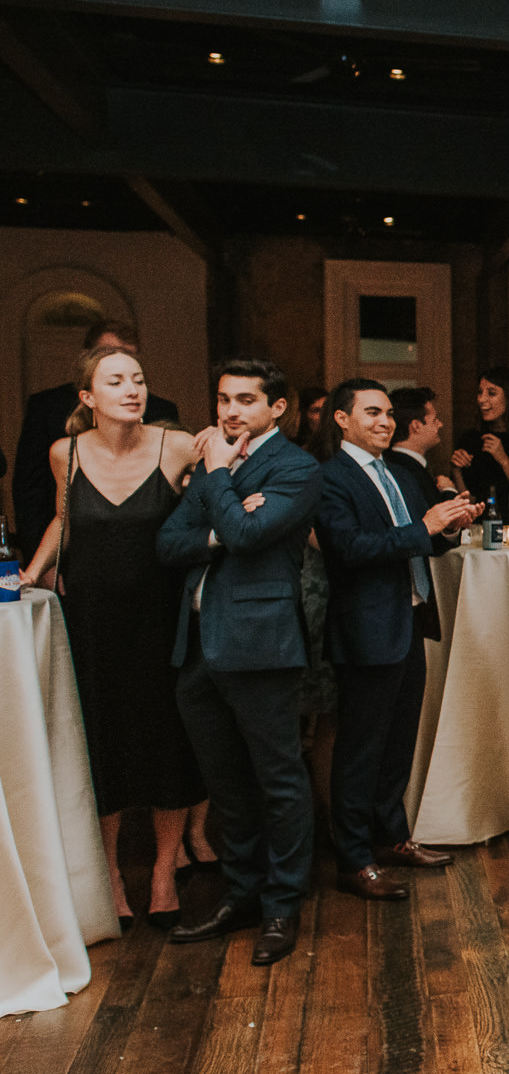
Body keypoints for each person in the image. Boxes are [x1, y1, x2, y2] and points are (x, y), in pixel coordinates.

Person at [19, 345, 208, 928]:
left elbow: (210, 503)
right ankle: (107, 877)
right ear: (87, 398)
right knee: (102, 743)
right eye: (116, 381)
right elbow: (64, 519)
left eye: (139, 379)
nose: (133, 389)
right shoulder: (64, 453)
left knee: (167, 740)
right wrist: (31, 572)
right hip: (94, 624)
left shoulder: (176, 446)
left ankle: (161, 874)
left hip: (162, 617)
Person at [158, 358, 324, 967]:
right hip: (198, 648)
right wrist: (222, 525)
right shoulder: (217, 463)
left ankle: (282, 904)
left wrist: (220, 486)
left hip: (261, 646)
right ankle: (242, 893)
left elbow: (256, 538)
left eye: (246, 400)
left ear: (277, 408)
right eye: (224, 398)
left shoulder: (297, 468)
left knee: (278, 781)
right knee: (227, 784)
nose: (230, 411)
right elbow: (169, 542)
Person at [313, 380, 479, 900]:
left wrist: (451, 524)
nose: (385, 422)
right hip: (365, 627)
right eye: (372, 413)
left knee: (399, 738)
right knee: (361, 748)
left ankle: (392, 838)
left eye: (388, 413)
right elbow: (349, 548)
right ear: (342, 420)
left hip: (408, 620)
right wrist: (426, 526)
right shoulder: (331, 478)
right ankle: (354, 859)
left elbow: (424, 537)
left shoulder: (396, 473)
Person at [12, 320, 180, 557]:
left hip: (152, 555)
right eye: (108, 353)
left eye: (128, 356)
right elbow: (31, 494)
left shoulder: (161, 411)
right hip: (77, 557)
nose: (118, 362)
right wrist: (46, 566)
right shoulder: (48, 408)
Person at [451, 367, 509, 509]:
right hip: (479, 524)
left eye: (491, 393)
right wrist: (456, 470)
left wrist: (503, 459)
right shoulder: (471, 438)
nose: (482, 399)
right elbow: (468, 502)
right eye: (480, 392)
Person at [385, 385, 458, 503]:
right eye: (434, 420)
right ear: (416, 426)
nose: (440, 425)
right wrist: (449, 490)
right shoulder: (409, 471)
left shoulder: (391, 460)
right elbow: (438, 518)